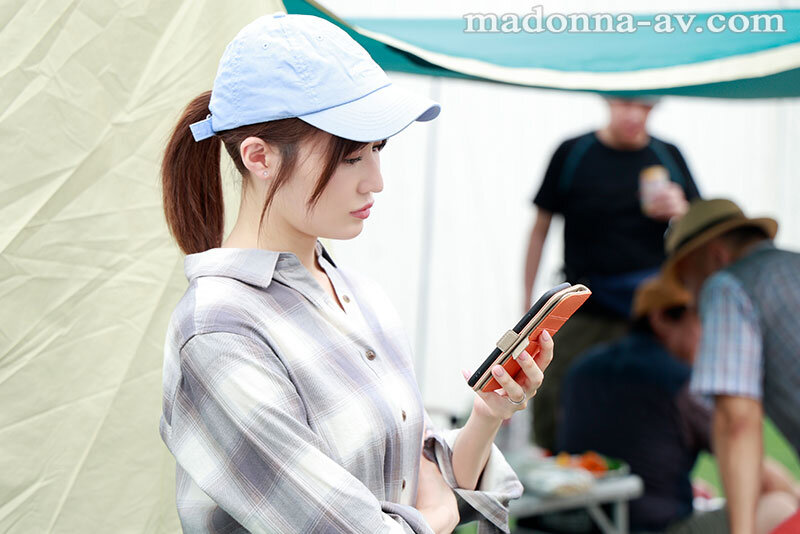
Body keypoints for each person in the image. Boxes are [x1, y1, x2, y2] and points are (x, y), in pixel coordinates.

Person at [157, 13, 554, 534]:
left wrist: (487, 414)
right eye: (350, 157)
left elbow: (413, 479)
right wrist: (440, 515)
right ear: (259, 157)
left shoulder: (359, 295)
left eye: (377, 149)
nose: (376, 181)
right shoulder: (218, 331)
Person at [524, 96, 701, 451]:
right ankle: (554, 464)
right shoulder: (574, 152)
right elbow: (540, 230)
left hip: (650, 311)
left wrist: (681, 212)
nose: (634, 114)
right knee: (552, 392)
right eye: (625, 103)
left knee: (653, 397)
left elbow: (701, 237)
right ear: (608, 99)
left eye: (645, 106)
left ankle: (649, 470)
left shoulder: (667, 155)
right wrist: (529, 303)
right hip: (584, 302)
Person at [558, 275, 799, 533]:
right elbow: (754, 467)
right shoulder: (682, 383)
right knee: (779, 505)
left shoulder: (582, 367)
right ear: (661, 318)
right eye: (703, 319)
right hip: (652, 528)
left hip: (579, 523)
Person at [663, 198, 800, 534]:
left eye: (688, 281)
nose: (692, 300)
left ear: (717, 255)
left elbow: (737, 420)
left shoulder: (727, 286)